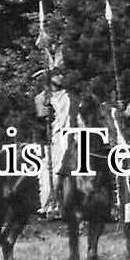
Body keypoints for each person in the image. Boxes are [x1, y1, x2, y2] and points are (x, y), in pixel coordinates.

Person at [33, 48, 81, 217]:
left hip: (72, 136)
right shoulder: (42, 98)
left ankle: (72, 206)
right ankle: (48, 206)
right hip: (52, 138)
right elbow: (40, 117)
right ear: (49, 77)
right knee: (51, 173)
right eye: (56, 74)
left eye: (62, 74)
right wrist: (46, 111)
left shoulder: (71, 96)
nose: (61, 77)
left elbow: (78, 116)